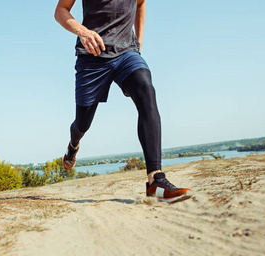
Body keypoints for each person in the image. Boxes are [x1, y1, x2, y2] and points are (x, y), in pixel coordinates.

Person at [54, 0, 191, 202]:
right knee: (82, 123)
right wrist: (83, 32)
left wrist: (139, 42)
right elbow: (60, 11)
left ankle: (156, 180)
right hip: (92, 57)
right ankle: (74, 144)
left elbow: (141, 3)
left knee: (146, 90)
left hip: (127, 53)